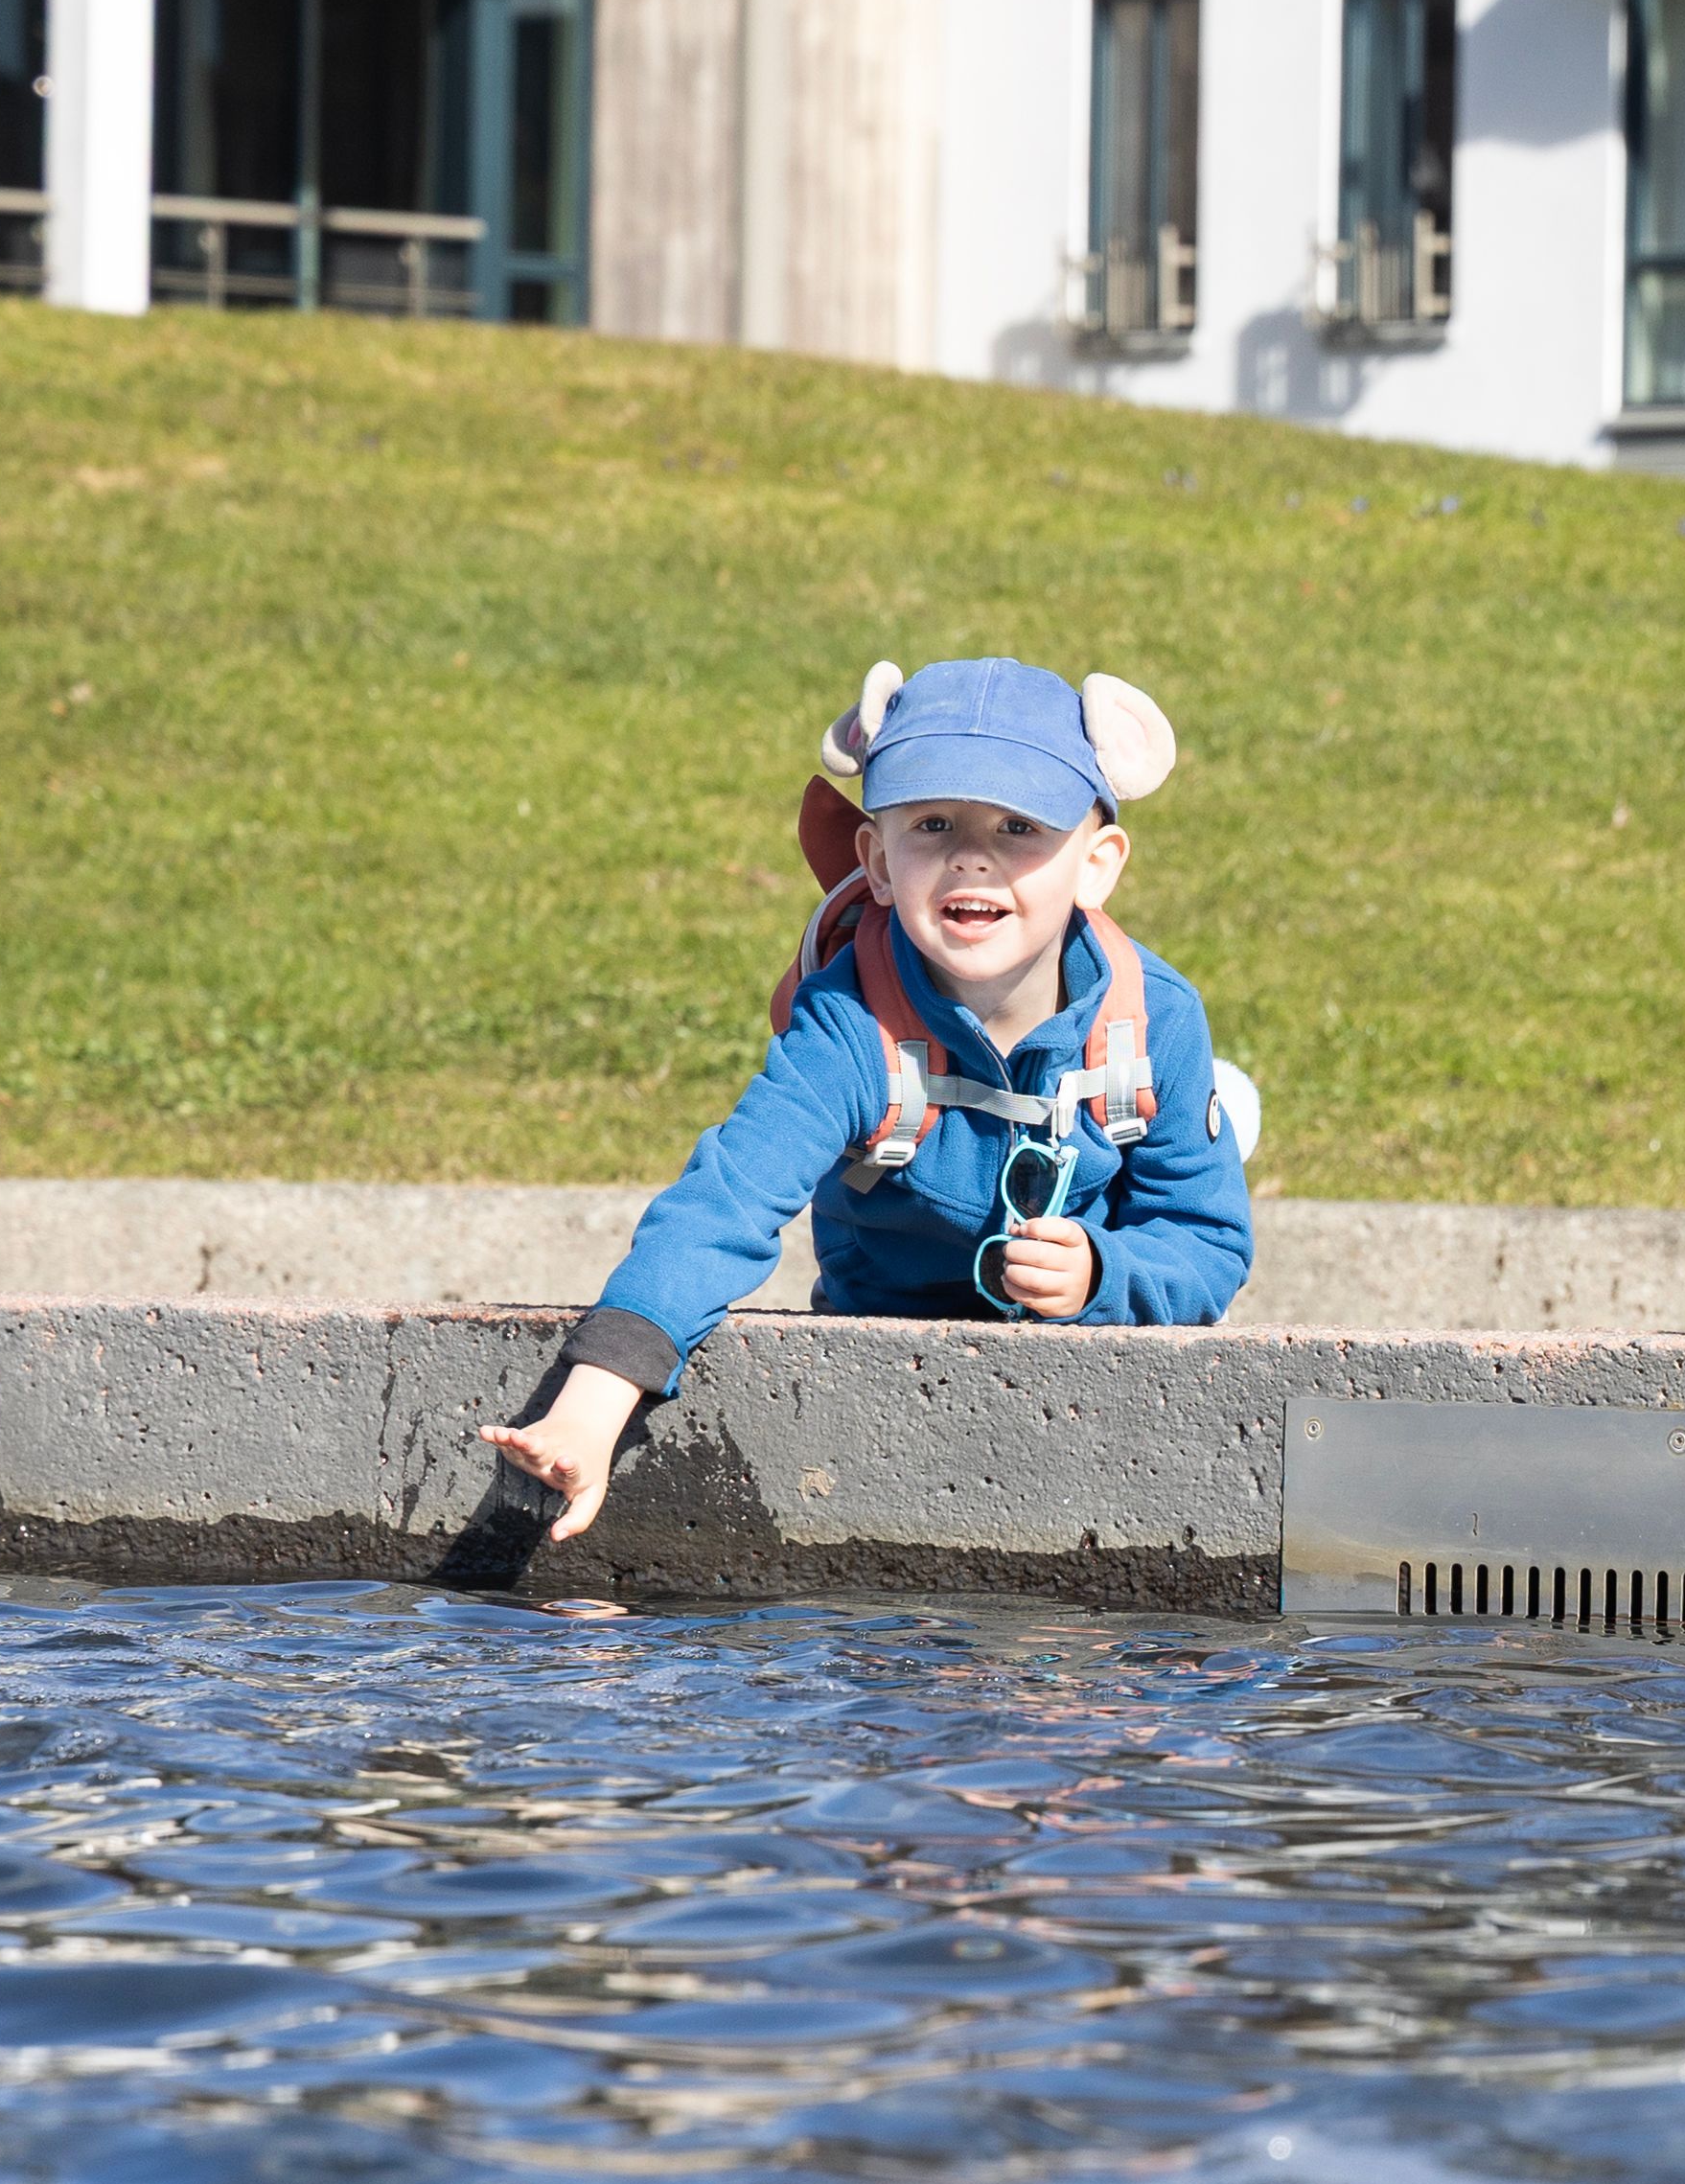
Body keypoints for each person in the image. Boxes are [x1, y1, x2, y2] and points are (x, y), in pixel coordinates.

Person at [483, 656, 1255, 1540]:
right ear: (878, 862)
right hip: (886, 1347)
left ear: (1097, 865)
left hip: (1092, 1359)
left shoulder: (1152, 1024)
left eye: (1019, 825)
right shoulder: (851, 1027)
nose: (972, 857)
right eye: (932, 824)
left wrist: (1106, 1273)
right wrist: (590, 1408)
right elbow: (724, 1205)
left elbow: (1205, 1241)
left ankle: (1227, 1117)